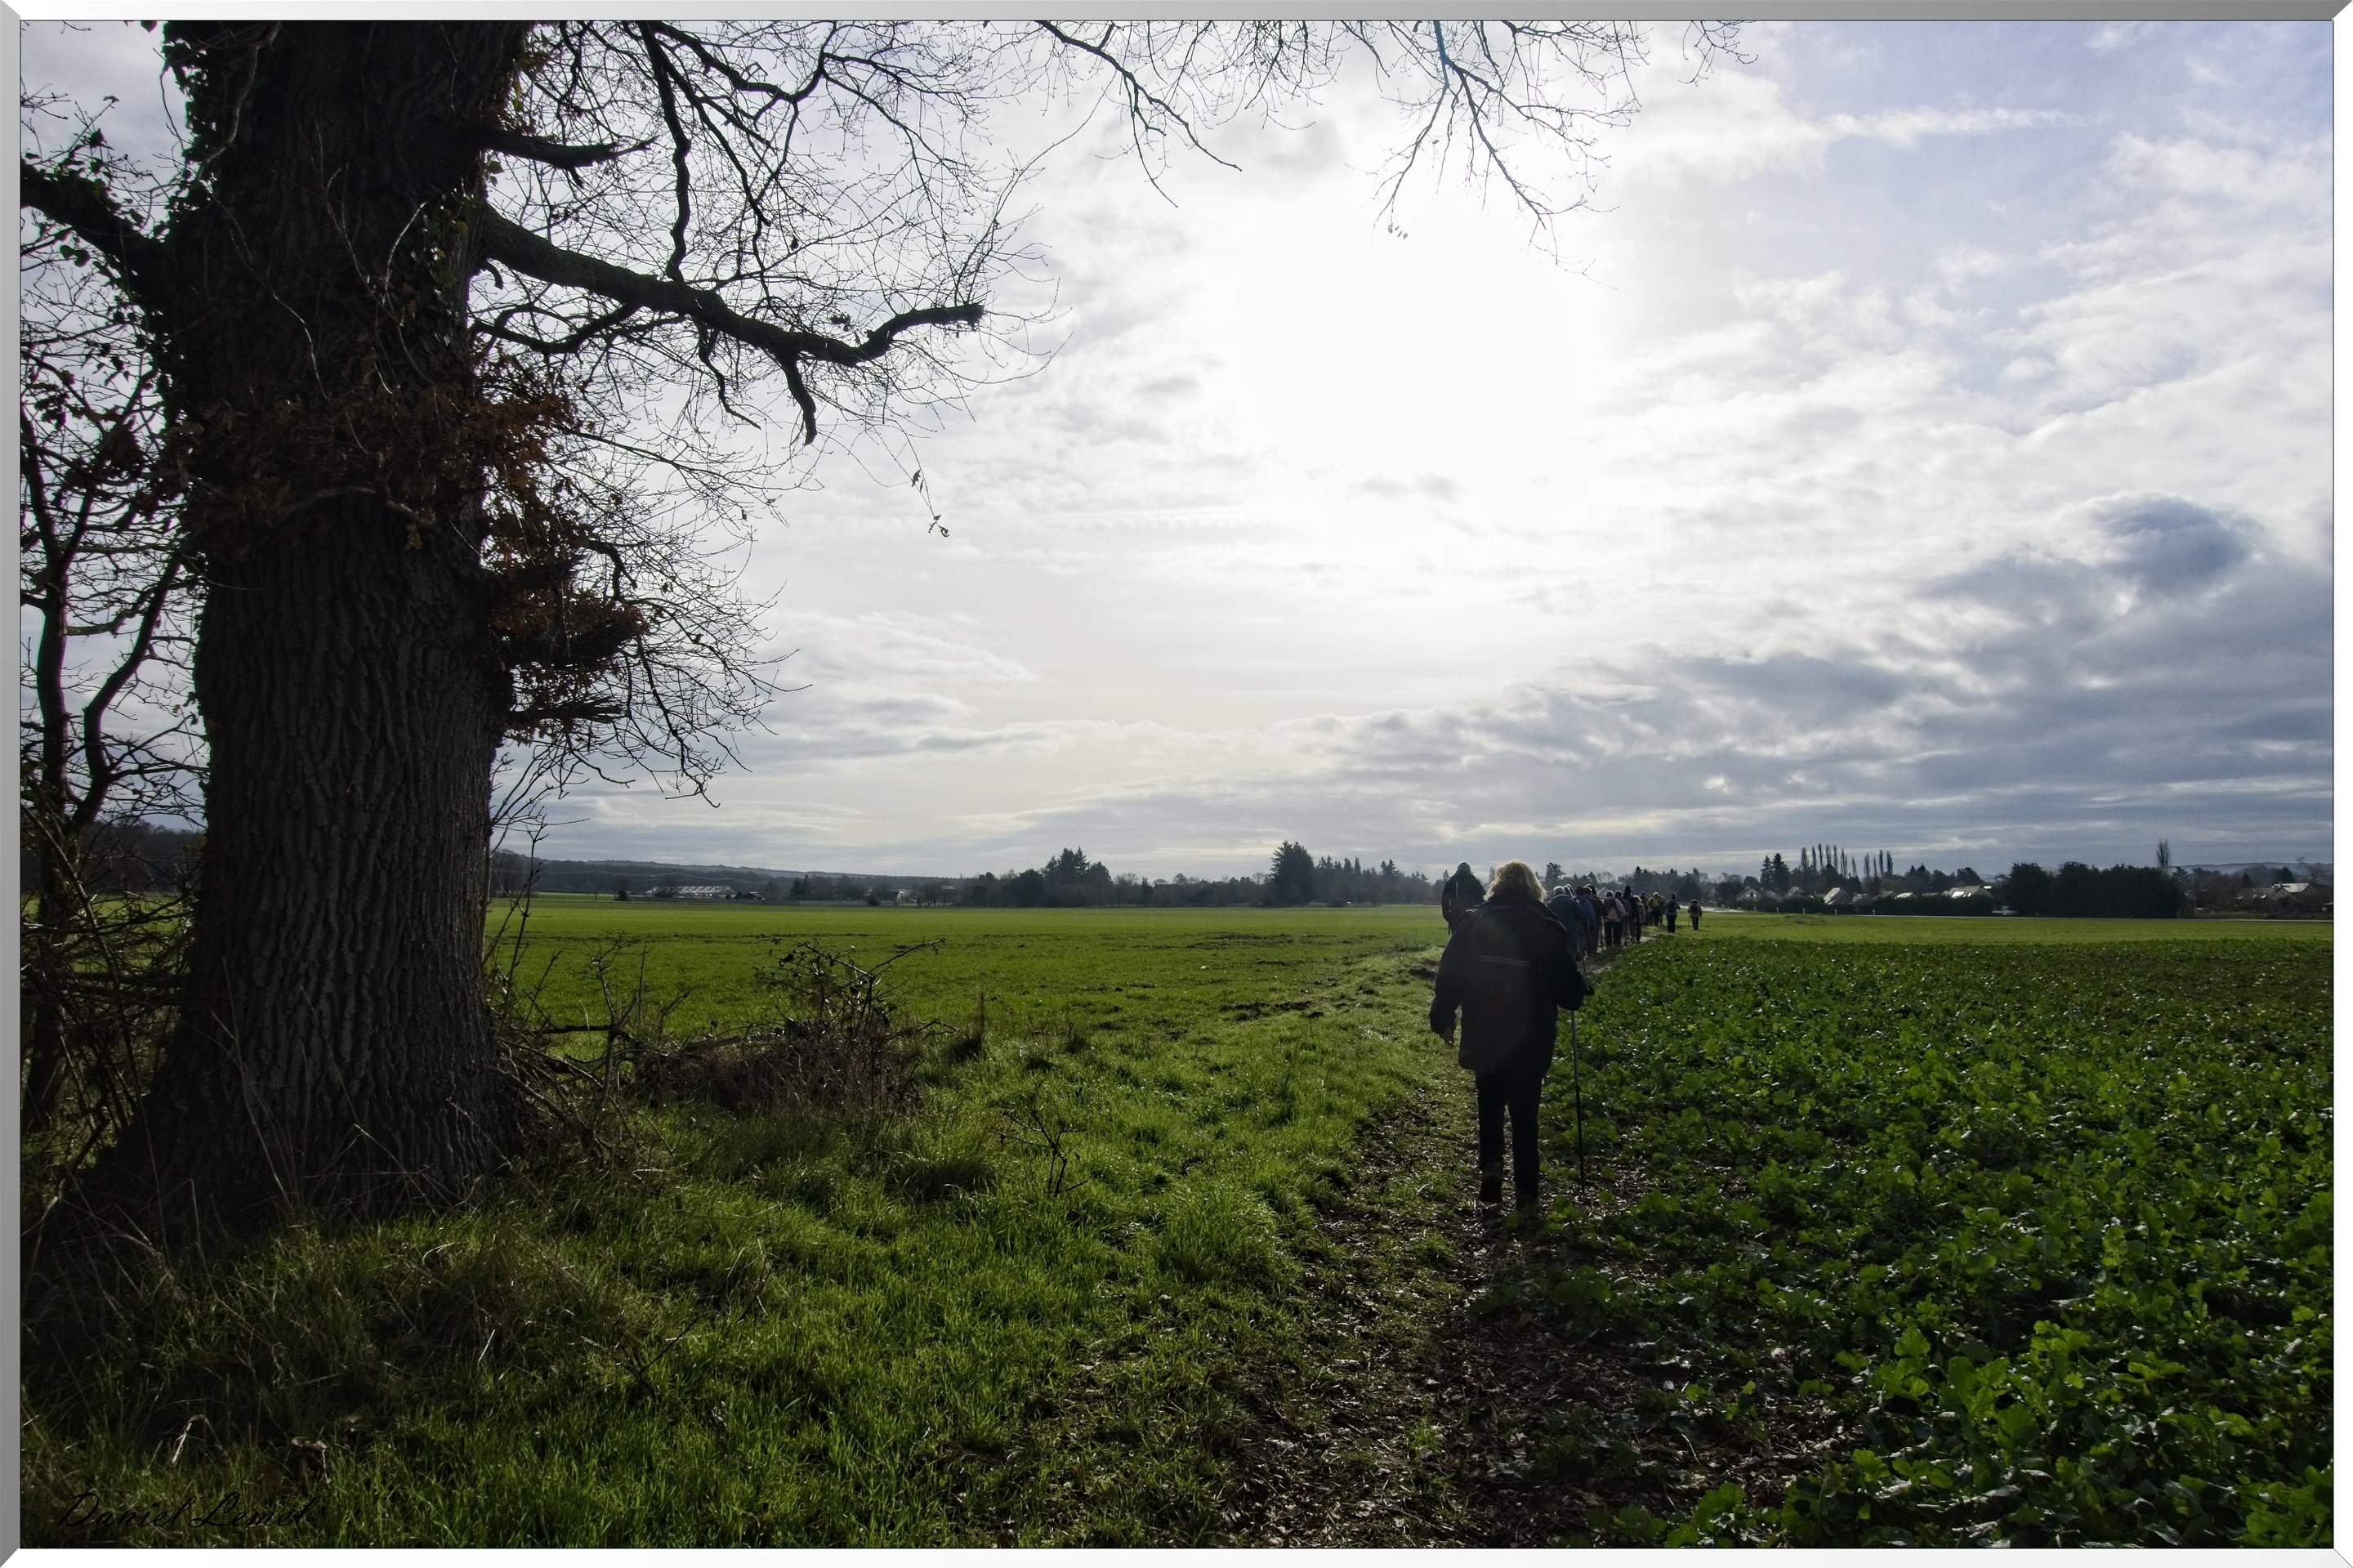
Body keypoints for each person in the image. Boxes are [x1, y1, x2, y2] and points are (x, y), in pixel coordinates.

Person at [1429, 860, 1587, 1212]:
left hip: (1486, 1031)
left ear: (1496, 887)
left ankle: (1492, 1166)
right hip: (1531, 1036)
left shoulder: (1473, 923)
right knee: (1526, 1113)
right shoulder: (1548, 926)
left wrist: (1442, 1019)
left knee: (1489, 1101)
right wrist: (1580, 989)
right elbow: (1569, 992)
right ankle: (1528, 1191)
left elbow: (1450, 977)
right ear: (1534, 888)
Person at [1441, 860, 1486, 931]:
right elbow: (1483, 899)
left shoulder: (1451, 882)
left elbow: (1445, 901)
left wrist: (1449, 917)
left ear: (1458, 870)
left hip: (1455, 917)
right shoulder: (1475, 882)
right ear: (1469, 870)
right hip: (1472, 917)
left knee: (1457, 941)